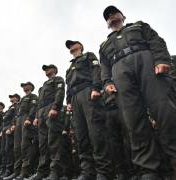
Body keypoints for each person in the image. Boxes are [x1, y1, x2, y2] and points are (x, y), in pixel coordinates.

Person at [100, 5, 176, 179]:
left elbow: (156, 41)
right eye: (108, 16)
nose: (112, 16)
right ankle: (149, 170)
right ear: (107, 23)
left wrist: (162, 60)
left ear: (123, 16)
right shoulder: (104, 45)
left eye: (114, 13)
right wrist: (107, 83)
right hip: (120, 73)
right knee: (134, 121)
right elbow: (104, 67)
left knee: (165, 112)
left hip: (147, 64)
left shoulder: (139, 26)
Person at [65, 40, 113, 180]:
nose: (72, 47)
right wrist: (68, 101)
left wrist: (96, 87)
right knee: (81, 136)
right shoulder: (69, 68)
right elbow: (68, 86)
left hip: (88, 92)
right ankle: (88, 172)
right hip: (75, 98)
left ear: (80, 46)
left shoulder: (88, 56)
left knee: (96, 132)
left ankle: (104, 172)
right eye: (70, 47)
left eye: (74, 45)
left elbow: (96, 71)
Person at [30, 64, 65, 180]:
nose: (46, 71)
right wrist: (36, 117)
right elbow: (39, 103)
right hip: (41, 113)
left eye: (48, 68)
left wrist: (55, 107)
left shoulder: (58, 79)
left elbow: (60, 93)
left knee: (54, 141)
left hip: (51, 109)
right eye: (45, 69)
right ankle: (42, 171)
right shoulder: (44, 85)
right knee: (43, 144)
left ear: (54, 70)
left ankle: (55, 172)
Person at [4, 82, 38, 180]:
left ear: (31, 87)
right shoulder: (22, 100)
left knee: (25, 147)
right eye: (23, 86)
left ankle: (25, 172)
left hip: (26, 120)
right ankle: (16, 172)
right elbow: (17, 114)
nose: (24, 87)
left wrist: (29, 118)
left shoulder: (33, 96)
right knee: (17, 148)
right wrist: (14, 124)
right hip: (18, 122)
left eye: (26, 86)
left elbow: (33, 108)